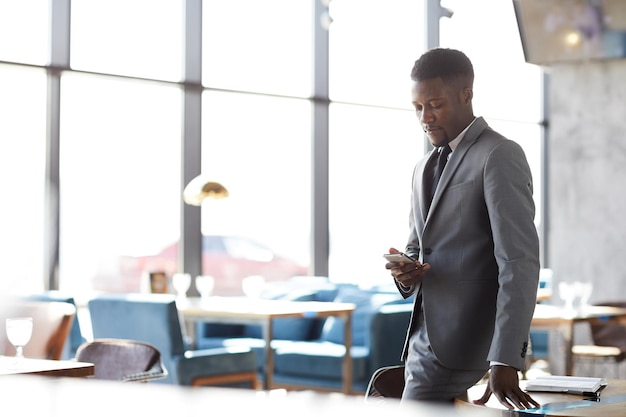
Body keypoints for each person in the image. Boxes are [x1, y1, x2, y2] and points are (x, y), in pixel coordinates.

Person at [384, 47, 540, 410]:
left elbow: (519, 261)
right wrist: (406, 271)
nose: (425, 117)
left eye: (434, 104)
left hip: (470, 340)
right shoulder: (423, 167)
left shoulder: (499, 154)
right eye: (417, 107)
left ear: (466, 95)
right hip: (425, 339)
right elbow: (417, 248)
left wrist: (506, 358)